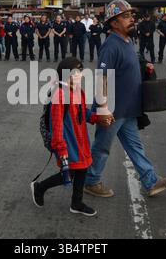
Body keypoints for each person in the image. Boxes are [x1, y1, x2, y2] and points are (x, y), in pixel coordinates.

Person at [84, 0, 166, 198]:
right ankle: (91, 182)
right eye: (125, 16)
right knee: (102, 148)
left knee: (135, 147)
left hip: (128, 110)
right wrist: (103, 108)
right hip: (113, 110)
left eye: (131, 15)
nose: (131, 19)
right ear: (113, 23)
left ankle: (151, 181)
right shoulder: (111, 46)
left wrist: (146, 67)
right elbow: (102, 79)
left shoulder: (128, 41)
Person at [30, 57, 112, 217]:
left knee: (82, 170)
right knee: (69, 173)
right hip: (68, 142)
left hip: (80, 139)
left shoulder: (77, 92)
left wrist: (98, 118)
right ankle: (40, 187)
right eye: (76, 73)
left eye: (80, 72)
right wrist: (61, 148)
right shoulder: (59, 95)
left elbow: (84, 113)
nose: (80, 75)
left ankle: (77, 203)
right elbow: (56, 125)